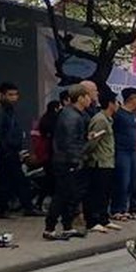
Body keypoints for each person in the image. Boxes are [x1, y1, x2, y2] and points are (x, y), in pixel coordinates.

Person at [45, 85, 91, 240]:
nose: (90, 99)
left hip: (66, 159)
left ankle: (67, 226)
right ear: (80, 98)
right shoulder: (72, 116)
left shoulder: (72, 114)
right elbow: (69, 142)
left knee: (69, 194)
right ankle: (49, 228)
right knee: (62, 194)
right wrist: (76, 160)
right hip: (67, 161)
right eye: (87, 96)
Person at [0, 82, 39, 218]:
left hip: (12, 150)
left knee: (17, 180)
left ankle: (25, 207)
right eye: (10, 95)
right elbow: (1, 132)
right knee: (7, 181)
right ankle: (6, 209)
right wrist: (6, 147)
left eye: (15, 95)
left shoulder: (9, 110)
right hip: (4, 152)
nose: (14, 98)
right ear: (1, 95)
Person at [85, 91, 121, 234]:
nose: (118, 105)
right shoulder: (100, 120)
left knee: (105, 193)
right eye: (117, 102)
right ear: (111, 104)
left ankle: (103, 219)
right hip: (99, 162)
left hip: (108, 161)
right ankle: (93, 221)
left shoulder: (108, 119)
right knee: (97, 193)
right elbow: (93, 142)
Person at [111, 87, 136, 221]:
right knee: (122, 181)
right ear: (132, 98)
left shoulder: (133, 115)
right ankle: (116, 209)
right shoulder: (119, 115)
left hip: (132, 151)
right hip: (121, 151)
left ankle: (126, 208)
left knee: (131, 182)